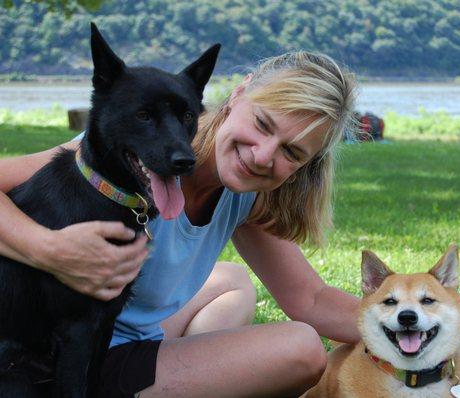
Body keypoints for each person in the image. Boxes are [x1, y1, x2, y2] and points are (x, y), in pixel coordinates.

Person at [0, 51, 360, 397]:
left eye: (291, 152)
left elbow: (311, 298)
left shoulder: (245, 193)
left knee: (232, 283)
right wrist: (47, 250)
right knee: (300, 349)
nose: (262, 155)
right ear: (238, 93)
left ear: (304, 166)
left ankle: (180, 378)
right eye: (263, 124)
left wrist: (411, 322)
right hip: (68, 359)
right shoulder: (125, 153)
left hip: (131, 337)